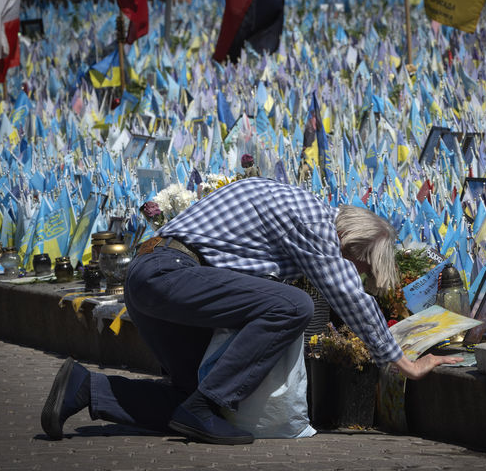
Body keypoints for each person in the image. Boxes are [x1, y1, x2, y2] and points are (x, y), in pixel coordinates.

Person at [41, 178, 460, 445]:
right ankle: (206, 405)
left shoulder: (299, 215)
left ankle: (86, 388)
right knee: (295, 306)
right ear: (353, 245)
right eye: (361, 265)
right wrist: (402, 362)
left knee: (186, 396)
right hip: (168, 274)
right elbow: (350, 296)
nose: (356, 273)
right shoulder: (315, 221)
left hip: (154, 277)